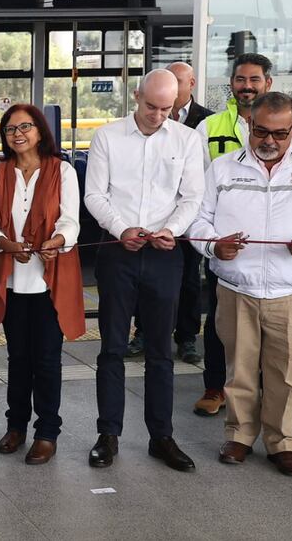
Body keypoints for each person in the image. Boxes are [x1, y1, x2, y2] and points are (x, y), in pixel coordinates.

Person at [83, 68, 203, 472]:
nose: (158, 115)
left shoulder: (187, 139)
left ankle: (161, 437)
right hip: (118, 252)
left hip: (165, 253)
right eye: (151, 106)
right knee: (112, 347)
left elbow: (192, 198)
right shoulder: (108, 136)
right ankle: (108, 434)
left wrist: (171, 230)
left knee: (160, 351)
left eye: (167, 108)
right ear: (136, 96)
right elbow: (95, 194)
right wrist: (121, 229)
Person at [187, 92, 292, 476]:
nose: (269, 141)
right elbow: (197, 221)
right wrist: (212, 246)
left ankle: (281, 442)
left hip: (291, 293)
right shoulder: (222, 169)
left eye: (280, 133)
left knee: (287, 375)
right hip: (237, 290)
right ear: (247, 125)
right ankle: (238, 436)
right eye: (260, 131)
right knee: (238, 370)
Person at [0, 105, 84, 465]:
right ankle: (16, 426)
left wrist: (58, 241)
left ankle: (47, 432)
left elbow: (71, 222)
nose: (18, 133)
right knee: (17, 359)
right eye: (10, 129)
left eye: (25, 126)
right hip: (11, 282)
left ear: (40, 131)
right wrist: (5, 245)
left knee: (47, 360)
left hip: (48, 281)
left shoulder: (63, 171)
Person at [127, 62, 213, 363]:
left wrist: (176, 226)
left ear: (190, 84)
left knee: (188, 279)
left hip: (183, 224)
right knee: (142, 279)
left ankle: (186, 337)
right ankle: (143, 332)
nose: (159, 114)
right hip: (144, 224)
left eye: (178, 83)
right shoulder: (130, 128)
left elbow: (196, 187)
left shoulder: (204, 123)